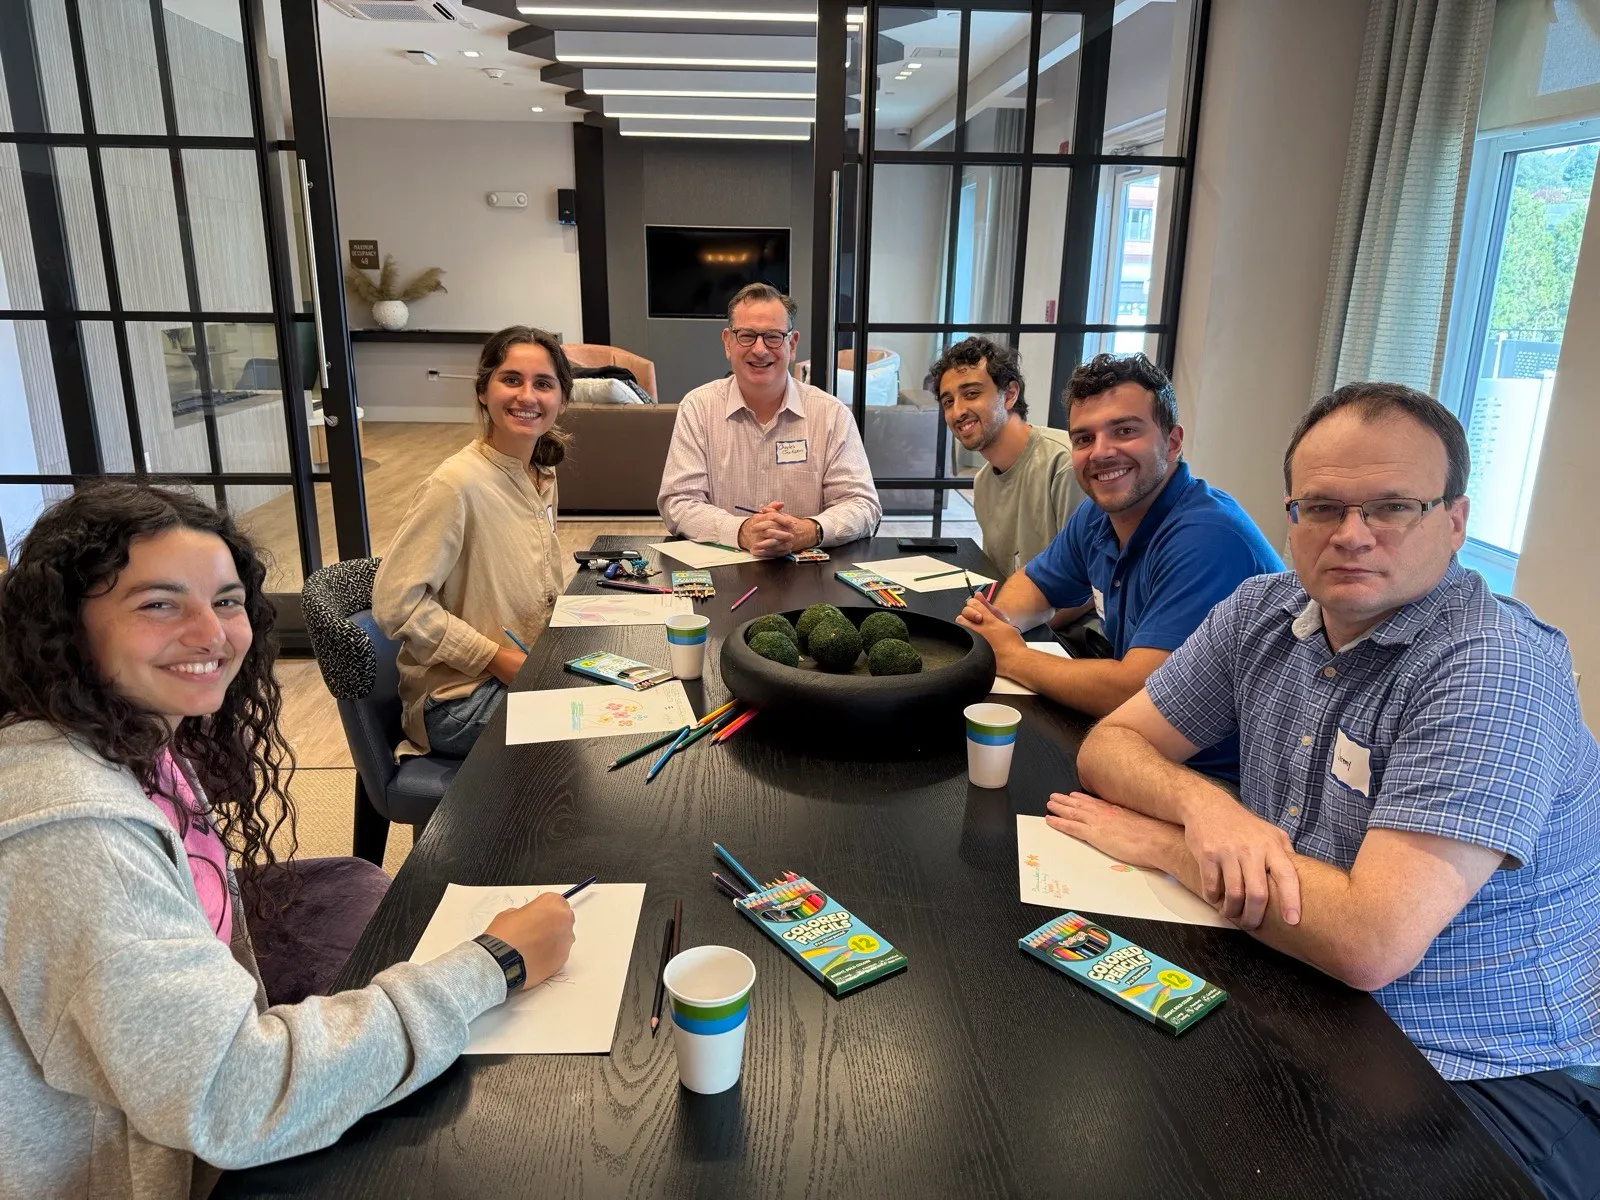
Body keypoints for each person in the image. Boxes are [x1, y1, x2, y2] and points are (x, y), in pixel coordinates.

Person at [1048, 383, 1600, 1198]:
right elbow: (1111, 746)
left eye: (1392, 508)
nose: (1351, 536)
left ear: (1455, 520)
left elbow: (1370, 943)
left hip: (1490, 1072)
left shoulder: (1492, 668)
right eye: (1322, 507)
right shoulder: (1263, 611)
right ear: (1290, 516)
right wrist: (1206, 807)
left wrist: (1172, 843)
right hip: (1309, 988)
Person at [0, 484, 576, 1199]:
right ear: (65, 625)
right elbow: (235, 1095)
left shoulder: (132, 741)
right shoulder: (73, 834)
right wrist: (495, 964)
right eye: (158, 604)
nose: (210, 634)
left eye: (227, 601)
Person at [957, 352, 1280, 781]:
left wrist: (1014, 656)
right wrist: (996, 621)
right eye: (1084, 438)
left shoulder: (1208, 537)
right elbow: (1034, 587)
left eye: (1125, 431)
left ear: (1173, 441)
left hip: (1222, 780)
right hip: (1146, 746)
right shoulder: (1100, 515)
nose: (1101, 453)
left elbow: (1138, 688)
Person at [374, 325, 571, 758]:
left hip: (520, 669)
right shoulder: (456, 484)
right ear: (484, 391)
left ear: (562, 399)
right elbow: (395, 603)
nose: (527, 396)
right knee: (597, 728)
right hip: (459, 698)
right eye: (511, 380)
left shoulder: (539, 474)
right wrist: (493, 658)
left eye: (543, 384)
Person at [657, 282, 882, 557]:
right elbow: (678, 502)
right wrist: (741, 531)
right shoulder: (698, 408)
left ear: (792, 343)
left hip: (808, 574)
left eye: (773, 336)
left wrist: (809, 530)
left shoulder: (831, 414)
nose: (760, 349)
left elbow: (863, 505)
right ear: (728, 342)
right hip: (721, 570)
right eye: (747, 336)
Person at [933, 336, 1079, 576]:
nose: (957, 411)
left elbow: (1088, 583)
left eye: (971, 394)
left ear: (1010, 394)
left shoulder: (1065, 464)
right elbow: (1001, 578)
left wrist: (1006, 614)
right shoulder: (984, 483)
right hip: (1014, 612)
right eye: (948, 401)